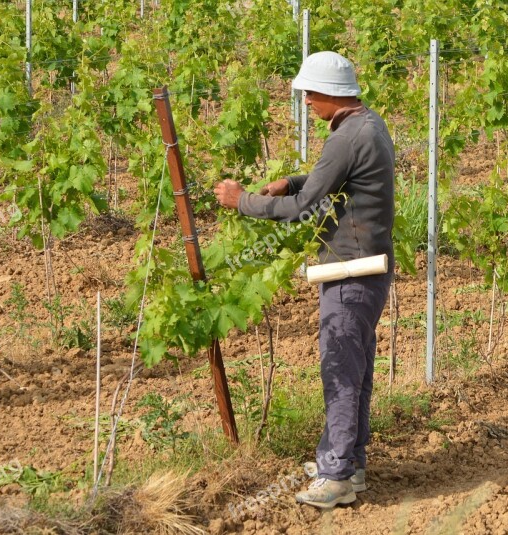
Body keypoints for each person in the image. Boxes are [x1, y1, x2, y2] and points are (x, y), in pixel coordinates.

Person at [214, 51, 395, 510]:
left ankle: (334, 474)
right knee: (357, 368)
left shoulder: (345, 138)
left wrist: (244, 201)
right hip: (369, 266)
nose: (308, 104)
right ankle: (350, 464)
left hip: (350, 270)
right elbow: (335, 183)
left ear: (328, 94)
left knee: (340, 369)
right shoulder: (369, 124)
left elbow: (303, 212)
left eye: (309, 95)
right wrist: (294, 182)